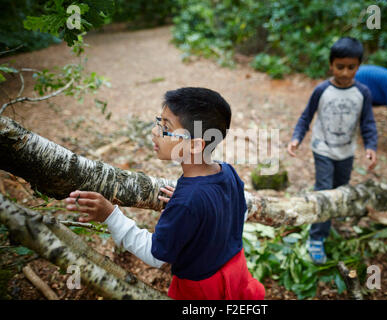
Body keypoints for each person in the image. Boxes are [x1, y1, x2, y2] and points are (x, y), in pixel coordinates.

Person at [64, 87, 265, 300]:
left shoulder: (187, 202)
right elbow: (239, 209)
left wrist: (111, 216)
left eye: (165, 127)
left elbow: (155, 255)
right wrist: (196, 213)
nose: (154, 131)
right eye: (158, 121)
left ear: (196, 145)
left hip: (201, 292)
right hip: (236, 273)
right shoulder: (227, 172)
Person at [287, 37, 378, 264]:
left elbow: (368, 122)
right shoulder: (322, 90)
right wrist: (297, 138)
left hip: (346, 151)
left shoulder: (363, 93)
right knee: (325, 191)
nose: (345, 73)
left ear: (358, 66)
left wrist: (371, 146)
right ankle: (316, 237)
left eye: (351, 67)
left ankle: (329, 223)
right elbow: (306, 116)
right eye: (340, 67)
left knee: (340, 189)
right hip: (323, 149)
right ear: (331, 65)